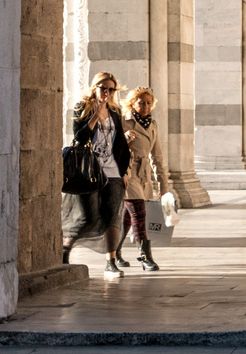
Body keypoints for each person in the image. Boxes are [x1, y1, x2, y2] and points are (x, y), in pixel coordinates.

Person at [60, 72, 131, 278]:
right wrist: (94, 117)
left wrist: (123, 171)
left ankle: (110, 262)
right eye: (103, 88)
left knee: (113, 215)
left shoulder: (116, 112)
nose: (107, 93)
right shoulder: (82, 108)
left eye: (111, 89)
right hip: (88, 171)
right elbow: (79, 139)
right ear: (95, 88)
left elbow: (120, 145)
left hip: (113, 172)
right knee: (89, 217)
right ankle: (66, 248)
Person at [118, 86, 170, 272]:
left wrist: (163, 185)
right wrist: (125, 138)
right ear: (132, 103)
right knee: (138, 211)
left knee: (127, 215)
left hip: (144, 174)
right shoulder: (123, 121)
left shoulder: (153, 124)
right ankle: (145, 256)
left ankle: (115, 250)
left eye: (149, 103)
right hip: (127, 171)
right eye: (141, 103)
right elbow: (111, 146)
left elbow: (157, 156)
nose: (146, 107)